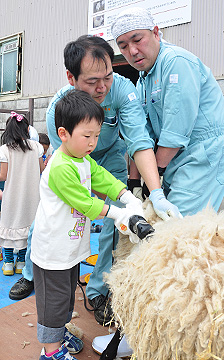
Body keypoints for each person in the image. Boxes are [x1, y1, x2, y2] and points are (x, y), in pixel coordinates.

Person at [9, 35, 182, 322]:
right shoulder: (58, 110)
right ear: (71, 77)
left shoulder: (122, 91)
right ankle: (32, 271)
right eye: (92, 81)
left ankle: (98, 289)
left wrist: (152, 193)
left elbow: (138, 141)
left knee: (115, 227)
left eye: (108, 77)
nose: (102, 87)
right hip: (74, 159)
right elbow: (72, 168)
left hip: (109, 153)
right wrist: (106, 205)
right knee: (52, 215)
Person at [31, 89, 144, 360]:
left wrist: (125, 194)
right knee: (54, 302)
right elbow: (86, 204)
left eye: (96, 135)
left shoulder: (81, 158)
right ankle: (50, 351)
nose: (93, 142)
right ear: (63, 134)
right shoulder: (60, 166)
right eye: (87, 136)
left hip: (68, 247)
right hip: (52, 252)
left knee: (66, 295)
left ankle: (58, 333)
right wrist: (118, 214)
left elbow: (101, 176)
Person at [111, 6, 224, 217]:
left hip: (201, 156)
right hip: (172, 160)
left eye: (137, 39)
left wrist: (154, 176)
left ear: (156, 33)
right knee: (167, 223)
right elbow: (141, 135)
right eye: (123, 46)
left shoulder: (176, 62)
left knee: (178, 227)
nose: (132, 51)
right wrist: (134, 182)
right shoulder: (144, 78)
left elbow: (176, 131)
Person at [0, 112, 44, 276]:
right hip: (32, 195)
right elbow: (41, 170)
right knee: (28, 227)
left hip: (12, 196)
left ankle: (9, 264)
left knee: (9, 226)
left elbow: (3, 176)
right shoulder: (36, 147)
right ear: (27, 129)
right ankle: (22, 263)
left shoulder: (4, 150)